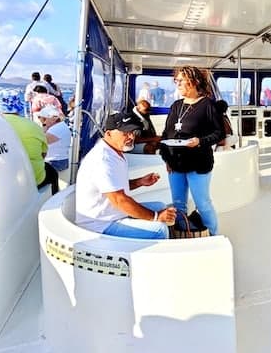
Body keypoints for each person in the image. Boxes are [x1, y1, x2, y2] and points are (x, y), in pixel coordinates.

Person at [75, 111, 177, 239]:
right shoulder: (103, 160)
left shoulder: (115, 151)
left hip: (112, 214)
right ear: (108, 134)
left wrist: (139, 182)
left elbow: (113, 187)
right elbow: (119, 200)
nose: (131, 137)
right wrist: (156, 217)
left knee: (160, 206)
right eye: (125, 133)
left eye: (132, 132)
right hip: (100, 224)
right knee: (159, 230)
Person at [160, 67, 224, 235]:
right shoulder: (176, 106)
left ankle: (213, 235)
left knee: (202, 203)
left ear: (194, 82)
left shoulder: (207, 105)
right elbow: (166, 134)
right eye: (177, 81)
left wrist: (200, 141)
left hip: (199, 163)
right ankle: (184, 232)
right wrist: (166, 159)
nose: (178, 84)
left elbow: (219, 133)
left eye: (181, 81)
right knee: (178, 203)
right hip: (176, 164)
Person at [0, 89, 59, 194]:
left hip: (2, 180)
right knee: (52, 173)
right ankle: (53, 203)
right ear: (18, 107)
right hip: (33, 179)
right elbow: (43, 154)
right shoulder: (34, 127)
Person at [35, 105, 71, 172]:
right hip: (59, 161)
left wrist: (44, 126)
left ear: (53, 118)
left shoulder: (56, 129)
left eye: (44, 119)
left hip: (55, 162)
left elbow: (40, 142)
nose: (43, 122)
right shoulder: (60, 126)